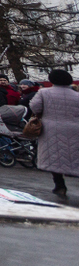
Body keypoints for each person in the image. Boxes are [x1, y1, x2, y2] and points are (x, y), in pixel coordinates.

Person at [29, 69, 79, 198]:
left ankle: (60, 185)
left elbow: (35, 107)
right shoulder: (76, 95)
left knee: (54, 156)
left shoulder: (44, 92)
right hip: (75, 129)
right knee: (74, 156)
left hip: (51, 129)